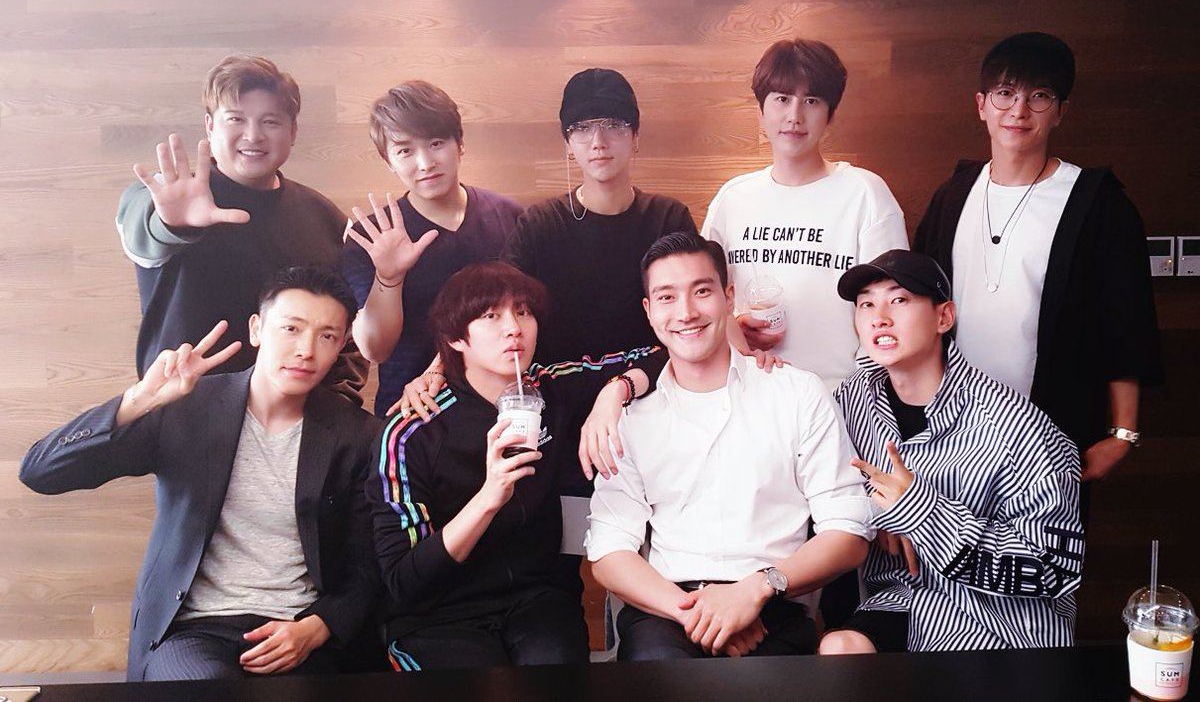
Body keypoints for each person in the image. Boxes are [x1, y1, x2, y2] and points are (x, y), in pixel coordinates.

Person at [19, 267, 381, 681]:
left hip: (298, 631)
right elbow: (40, 471)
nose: (306, 350)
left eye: (326, 336)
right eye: (291, 329)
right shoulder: (188, 408)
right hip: (195, 631)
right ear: (257, 329)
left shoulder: (356, 435)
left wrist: (317, 627)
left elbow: (366, 561)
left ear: (341, 346)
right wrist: (139, 400)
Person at [399, 67, 698, 481]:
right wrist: (436, 370)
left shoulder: (668, 218)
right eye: (582, 128)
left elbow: (693, 310)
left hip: (652, 390)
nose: (598, 141)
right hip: (559, 411)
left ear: (634, 135)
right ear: (568, 143)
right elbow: (494, 299)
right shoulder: (542, 223)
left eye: (613, 125)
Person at [368, 261, 668, 670]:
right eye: (491, 316)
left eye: (523, 311)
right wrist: (489, 497)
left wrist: (616, 391)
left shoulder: (551, 386)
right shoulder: (412, 431)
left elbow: (662, 354)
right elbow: (404, 581)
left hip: (538, 600)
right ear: (456, 338)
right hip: (440, 615)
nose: (514, 328)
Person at [586, 232, 872, 661]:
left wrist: (755, 591)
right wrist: (699, 615)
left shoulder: (796, 393)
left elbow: (848, 532)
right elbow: (609, 551)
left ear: (728, 297)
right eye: (667, 297)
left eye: (702, 291)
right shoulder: (631, 415)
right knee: (658, 676)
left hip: (774, 600)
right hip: (667, 609)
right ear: (649, 310)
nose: (686, 312)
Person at [913, 32, 1161, 495]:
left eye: (1039, 96)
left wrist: (1122, 434)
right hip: (949, 435)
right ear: (982, 105)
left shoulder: (1096, 204)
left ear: (1061, 111)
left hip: (1050, 438)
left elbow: (1126, 323)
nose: (1019, 110)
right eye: (1005, 93)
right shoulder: (953, 196)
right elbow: (917, 307)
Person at [819, 250, 1084, 654]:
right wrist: (873, 514)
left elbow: (1053, 569)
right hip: (901, 601)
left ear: (943, 317)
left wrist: (919, 512)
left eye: (899, 300)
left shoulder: (1017, 425)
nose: (879, 318)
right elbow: (817, 486)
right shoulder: (852, 399)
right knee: (839, 648)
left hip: (1000, 625)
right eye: (866, 304)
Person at [116, 54, 366, 402]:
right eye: (235, 119)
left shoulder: (324, 218)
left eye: (270, 122)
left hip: (295, 420)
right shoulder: (169, 196)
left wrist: (340, 400)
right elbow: (143, 235)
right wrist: (172, 224)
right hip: (182, 410)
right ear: (210, 126)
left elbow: (348, 325)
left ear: (293, 131)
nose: (253, 135)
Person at [702, 38, 908, 393]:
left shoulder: (865, 194)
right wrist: (735, 326)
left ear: (831, 114)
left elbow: (893, 312)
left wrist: (857, 400)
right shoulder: (732, 199)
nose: (794, 116)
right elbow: (705, 298)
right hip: (749, 397)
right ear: (760, 111)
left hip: (841, 400)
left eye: (811, 101)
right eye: (782, 99)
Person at [341, 81, 523, 415]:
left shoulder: (509, 216)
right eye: (405, 151)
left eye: (436, 143)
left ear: (460, 144)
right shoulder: (373, 236)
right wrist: (389, 277)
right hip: (413, 412)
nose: (425, 163)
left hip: (504, 405)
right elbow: (375, 350)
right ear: (388, 161)